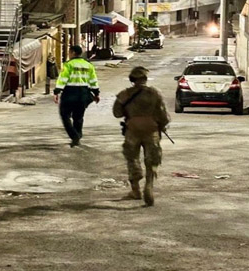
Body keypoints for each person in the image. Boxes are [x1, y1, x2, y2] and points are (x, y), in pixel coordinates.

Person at [112, 67, 170, 206]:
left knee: (132, 158)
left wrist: (130, 112)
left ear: (132, 80)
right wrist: (161, 125)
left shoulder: (124, 94)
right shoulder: (154, 93)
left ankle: (135, 189)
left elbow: (117, 113)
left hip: (132, 130)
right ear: (145, 78)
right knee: (152, 159)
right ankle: (149, 184)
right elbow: (163, 114)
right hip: (151, 131)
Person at [53, 45, 100, 147]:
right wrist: (96, 93)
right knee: (78, 117)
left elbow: (63, 79)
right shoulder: (88, 65)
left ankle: (75, 136)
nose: (69, 54)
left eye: (69, 52)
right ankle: (78, 136)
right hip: (83, 93)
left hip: (69, 93)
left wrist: (57, 91)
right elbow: (93, 80)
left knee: (65, 115)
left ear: (73, 52)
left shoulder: (68, 64)